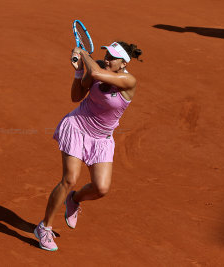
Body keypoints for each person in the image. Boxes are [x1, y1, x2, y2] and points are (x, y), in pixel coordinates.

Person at [33, 41, 143, 251]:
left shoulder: (128, 80)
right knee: (70, 178)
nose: (108, 59)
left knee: (101, 188)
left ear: (123, 64)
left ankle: (74, 200)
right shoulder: (96, 67)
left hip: (101, 139)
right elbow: (76, 97)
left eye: (113, 57)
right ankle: (44, 227)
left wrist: (83, 54)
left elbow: (99, 74)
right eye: (107, 55)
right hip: (77, 128)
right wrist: (79, 72)